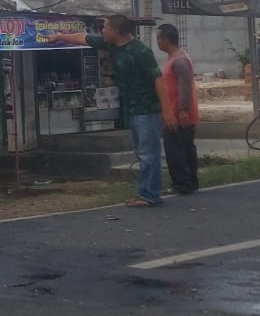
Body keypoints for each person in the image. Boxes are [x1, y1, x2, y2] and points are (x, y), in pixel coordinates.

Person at [47, 16, 175, 207]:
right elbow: (84, 37)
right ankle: (146, 193)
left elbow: (158, 81)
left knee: (149, 154)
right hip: (133, 108)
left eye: (105, 28)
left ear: (116, 31)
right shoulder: (112, 45)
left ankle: (150, 195)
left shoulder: (140, 52)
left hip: (147, 109)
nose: (102, 31)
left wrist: (167, 111)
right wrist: (59, 37)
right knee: (142, 153)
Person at [156, 24, 199, 196]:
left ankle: (182, 183)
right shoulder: (174, 58)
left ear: (166, 39)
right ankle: (189, 182)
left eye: (159, 38)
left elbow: (185, 87)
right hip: (176, 112)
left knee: (176, 151)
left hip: (179, 114)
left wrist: (182, 110)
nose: (157, 42)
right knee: (185, 148)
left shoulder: (179, 60)